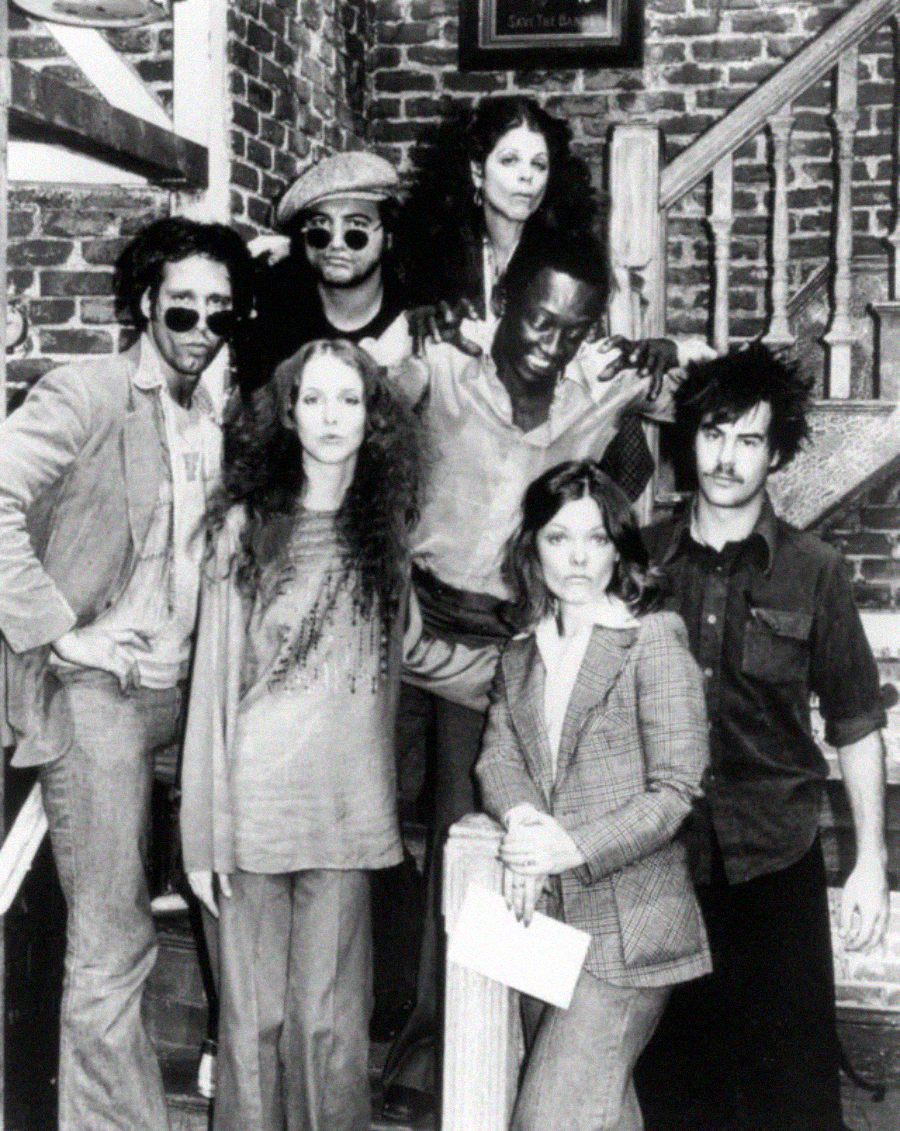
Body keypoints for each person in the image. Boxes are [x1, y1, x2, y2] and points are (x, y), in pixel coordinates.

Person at [380, 228, 706, 1122]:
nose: (548, 340)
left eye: (572, 326)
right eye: (535, 315)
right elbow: (346, 404)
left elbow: (701, 407)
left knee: (467, 843)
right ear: (504, 298)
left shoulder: (593, 398)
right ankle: (411, 1030)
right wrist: (402, 330)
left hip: (503, 650)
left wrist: (661, 355)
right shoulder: (444, 365)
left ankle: (443, 1043)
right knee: (375, 833)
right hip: (410, 630)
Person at [179, 339, 495, 1131]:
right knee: (253, 1028)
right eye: (313, 399)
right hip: (251, 810)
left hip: (347, 814)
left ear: (373, 418)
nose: (330, 417)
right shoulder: (248, 527)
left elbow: (411, 652)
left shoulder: (382, 532)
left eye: (348, 400)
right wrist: (201, 834)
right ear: (287, 414)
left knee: (329, 1029)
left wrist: (520, 674)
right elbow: (213, 686)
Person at [0, 216, 254, 1131]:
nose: (198, 328)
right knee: (111, 943)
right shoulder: (90, 391)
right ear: (145, 303)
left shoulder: (221, 414)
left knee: (236, 901)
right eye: (181, 308)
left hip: (192, 693)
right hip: (102, 694)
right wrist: (63, 635)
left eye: (219, 313)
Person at [638, 343, 889, 1131]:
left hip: (776, 861)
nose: (726, 456)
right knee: (675, 1093)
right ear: (689, 439)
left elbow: (855, 723)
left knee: (794, 1101)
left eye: (750, 439)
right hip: (662, 866)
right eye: (714, 432)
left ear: (776, 453)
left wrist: (870, 861)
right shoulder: (638, 563)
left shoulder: (816, 571)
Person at [476, 459, 711, 1131]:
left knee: (546, 1120)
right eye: (557, 537)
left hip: (631, 933)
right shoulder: (522, 652)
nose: (578, 556)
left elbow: (674, 791)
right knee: (601, 1116)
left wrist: (566, 847)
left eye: (596, 537)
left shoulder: (651, 638)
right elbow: (497, 756)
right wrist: (525, 827)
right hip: (546, 927)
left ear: (618, 545)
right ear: (533, 548)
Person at [243, 150, 407, 393]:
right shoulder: (276, 319)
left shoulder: (412, 318)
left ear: (388, 238)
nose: (336, 244)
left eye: (356, 229)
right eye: (320, 227)